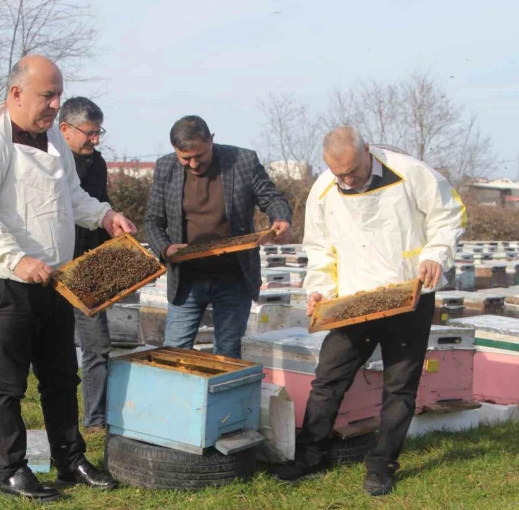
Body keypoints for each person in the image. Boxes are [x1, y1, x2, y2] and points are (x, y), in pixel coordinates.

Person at [0, 55, 134, 502]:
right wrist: (16, 259)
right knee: (7, 382)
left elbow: (71, 195)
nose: (55, 104)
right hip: (3, 280)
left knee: (60, 376)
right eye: (46, 95)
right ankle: (10, 470)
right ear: (16, 94)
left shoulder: (52, 136)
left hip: (53, 277)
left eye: (57, 95)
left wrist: (105, 215)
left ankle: (70, 461)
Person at [274, 127, 467, 496]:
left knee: (400, 386)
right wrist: (320, 291)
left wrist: (434, 255)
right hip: (354, 300)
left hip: (409, 293)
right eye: (338, 173)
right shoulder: (323, 189)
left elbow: (449, 215)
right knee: (328, 379)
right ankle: (310, 455)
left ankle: (381, 465)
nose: (347, 179)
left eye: (352, 170)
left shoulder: (410, 172)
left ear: (367, 151)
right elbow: (319, 247)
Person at [144, 115, 293, 359]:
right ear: (174, 150)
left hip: (234, 276)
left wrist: (281, 219)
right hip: (187, 279)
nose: (193, 164)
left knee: (228, 353)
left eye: (199, 156)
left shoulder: (243, 161)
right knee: (174, 352)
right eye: (185, 158)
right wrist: (165, 248)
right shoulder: (165, 167)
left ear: (211, 139)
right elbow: (153, 221)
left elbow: (272, 198)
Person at [58, 97, 113, 433]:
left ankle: (95, 420)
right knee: (25, 346)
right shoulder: (47, 163)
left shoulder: (99, 163)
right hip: (48, 267)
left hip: (88, 270)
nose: (95, 140)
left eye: (98, 132)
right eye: (89, 133)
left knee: (97, 346)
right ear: (65, 129)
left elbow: (99, 206)